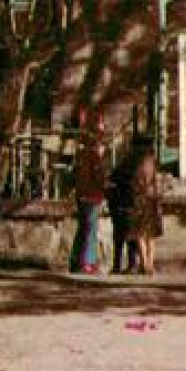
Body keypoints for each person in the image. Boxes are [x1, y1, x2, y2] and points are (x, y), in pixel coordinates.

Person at [69, 108, 107, 275]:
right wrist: (106, 184)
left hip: (82, 193)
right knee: (90, 229)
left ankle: (76, 260)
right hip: (92, 194)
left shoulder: (81, 150)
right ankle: (87, 262)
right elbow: (98, 174)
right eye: (101, 125)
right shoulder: (94, 152)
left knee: (83, 228)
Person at [128, 137, 163, 275]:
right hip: (152, 200)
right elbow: (157, 185)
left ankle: (144, 263)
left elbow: (134, 185)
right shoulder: (153, 164)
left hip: (139, 200)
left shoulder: (136, 165)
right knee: (151, 236)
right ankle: (150, 263)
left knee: (141, 235)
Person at [107, 146, 137, 274]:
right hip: (130, 208)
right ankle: (131, 265)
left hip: (119, 209)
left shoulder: (116, 173)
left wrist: (112, 206)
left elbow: (110, 191)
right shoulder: (134, 173)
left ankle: (116, 265)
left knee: (118, 240)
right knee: (131, 240)